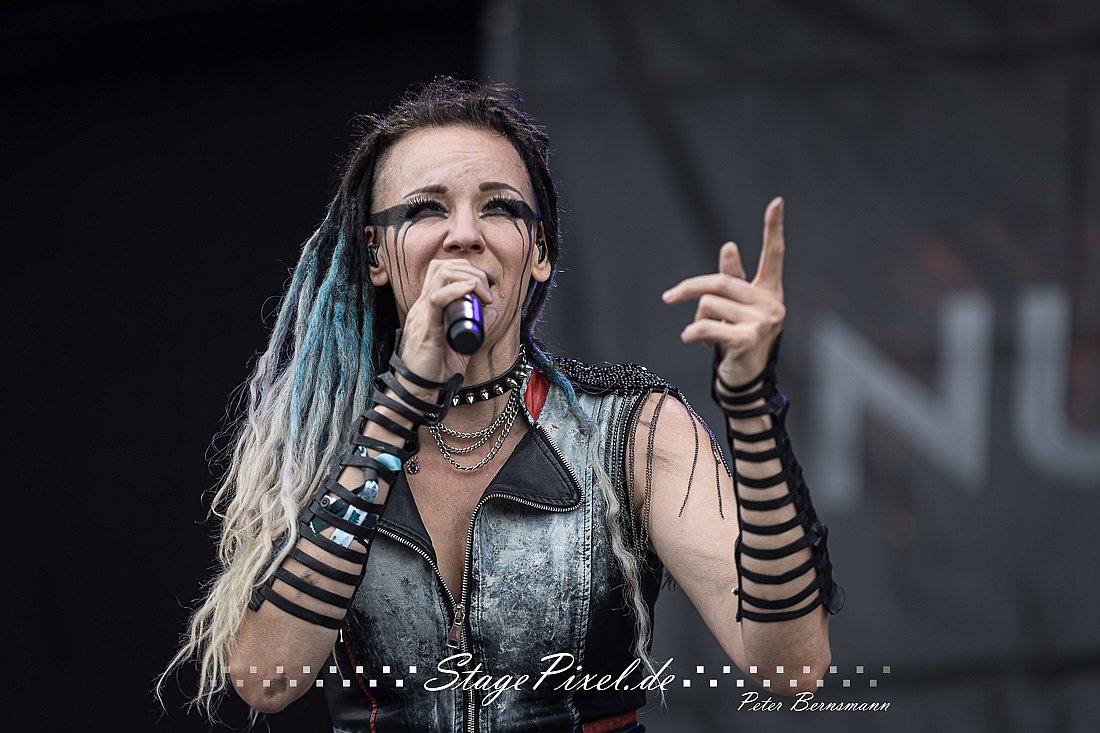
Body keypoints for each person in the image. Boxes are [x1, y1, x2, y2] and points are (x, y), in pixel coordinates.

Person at [160, 77, 843, 732]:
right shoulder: (326, 443)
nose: (464, 233)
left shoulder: (632, 432)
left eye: (498, 207)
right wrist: (401, 401)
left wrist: (751, 405)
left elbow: (793, 668)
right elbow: (267, 678)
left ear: (538, 250)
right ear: (375, 256)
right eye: (425, 209)